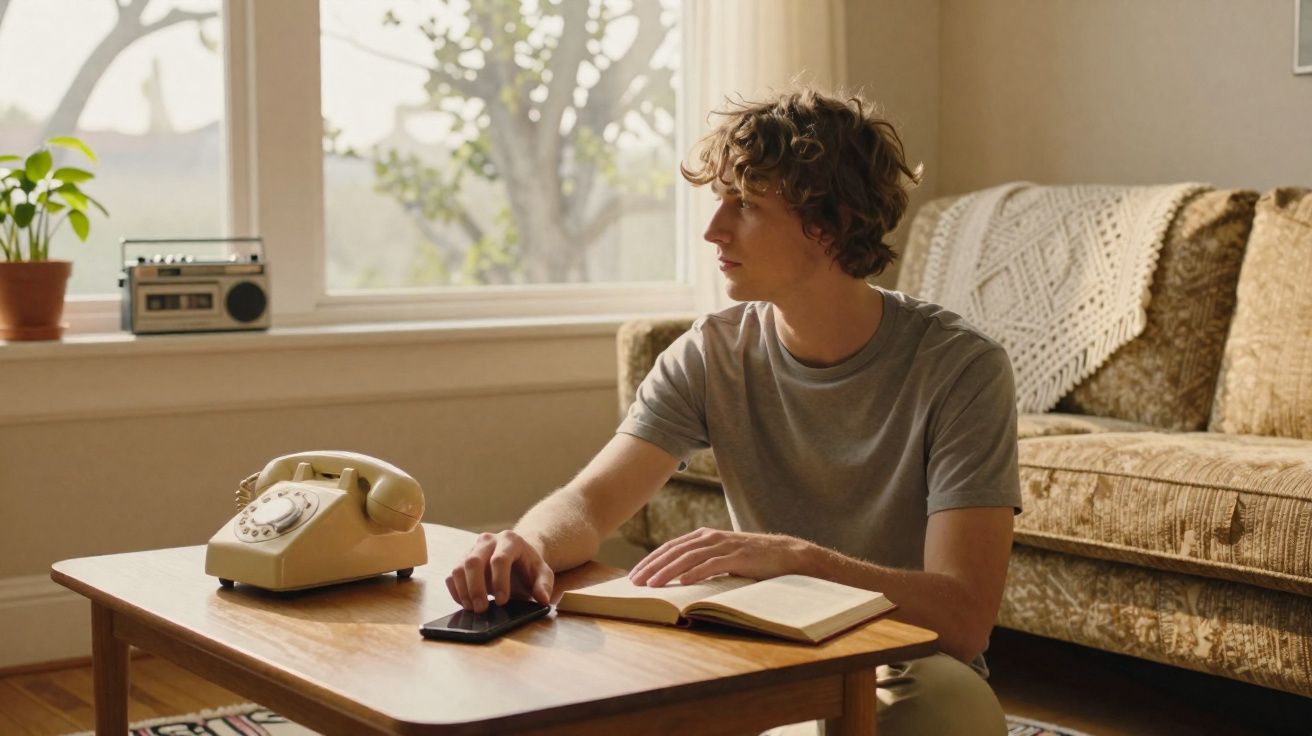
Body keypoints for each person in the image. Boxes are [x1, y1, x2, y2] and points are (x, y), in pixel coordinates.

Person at [446, 88, 1021, 736]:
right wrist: (528, 543)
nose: (713, 229)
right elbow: (587, 503)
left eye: (744, 206)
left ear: (826, 223)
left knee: (940, 713)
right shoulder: (712, 352)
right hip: (765, 655)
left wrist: (799, 559)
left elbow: (965, 615)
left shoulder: (961, 367)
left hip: (908, 664)